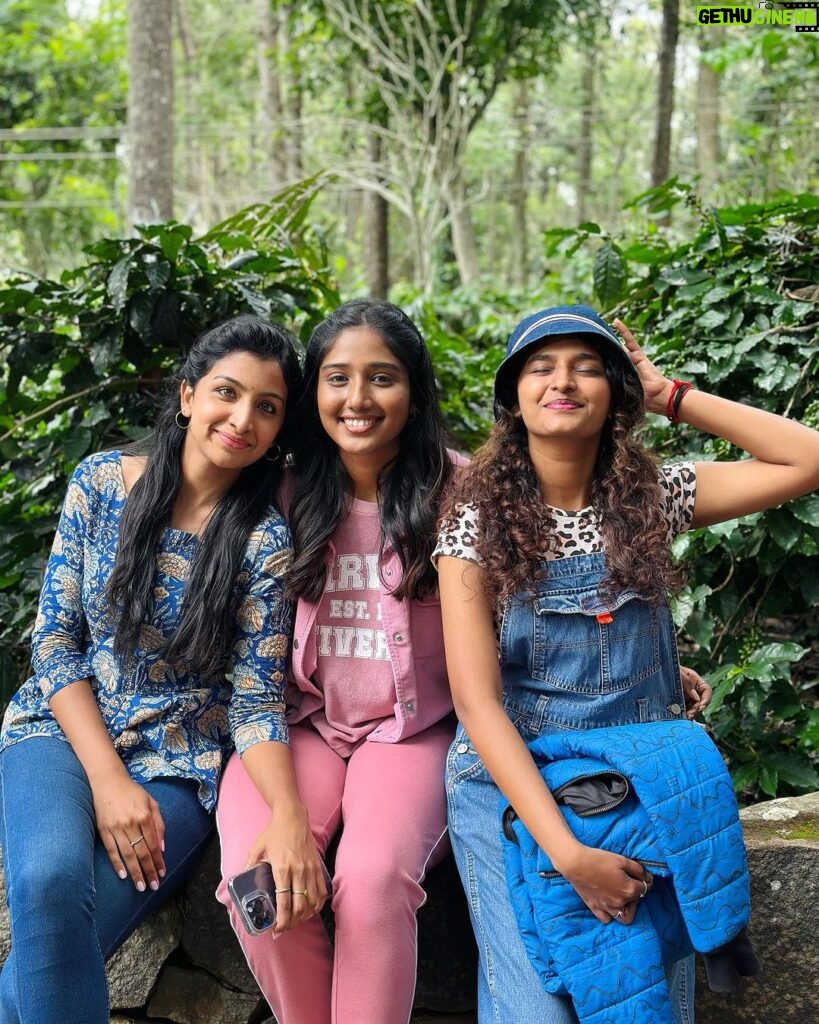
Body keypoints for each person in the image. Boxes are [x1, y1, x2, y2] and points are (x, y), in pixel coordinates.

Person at [434, 304, 819, 1024]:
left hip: (635, 783)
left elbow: (808, 459)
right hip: (511, 785)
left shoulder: (653, 496)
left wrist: (671, 395)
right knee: (537, 1012)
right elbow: (478, 706)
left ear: (613, 389)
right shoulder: (474, 519)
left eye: (586, 366)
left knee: (644, 1003)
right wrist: (567, 855)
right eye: (540, 366)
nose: (562, 380)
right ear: (512, 396)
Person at [0, 315, 303, 1024]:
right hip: (61, 725)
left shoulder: (264, 541)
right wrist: (107, 780)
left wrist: (288, 813)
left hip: (177, 760)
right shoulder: (102, 483)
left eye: (267, 407)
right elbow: (53, 643)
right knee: (48, 881)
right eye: (227, 393)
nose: (242, 418)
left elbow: (255, 700)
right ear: (188, 394)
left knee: (49, 952)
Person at [216, 299, 464, 1024]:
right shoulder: (278, 488)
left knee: (375, 878)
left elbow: (535, 597)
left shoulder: (462, 489)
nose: (357, 400)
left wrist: (635, 661)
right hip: (303, 727)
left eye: (381, 378)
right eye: (337, 378)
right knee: (259, 881)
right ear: (313, 392)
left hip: (412, 733)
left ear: (414, 392)